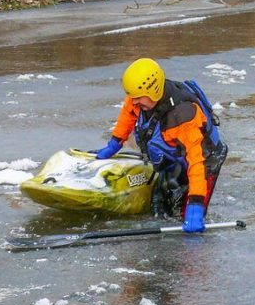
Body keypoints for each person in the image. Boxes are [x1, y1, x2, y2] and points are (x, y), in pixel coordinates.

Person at [96, 58, 227, 233]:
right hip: (173, 162)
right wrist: (114, 143)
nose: (133, 102)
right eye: (132, 97)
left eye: (137, 98)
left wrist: (195, 204)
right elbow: (128, 113)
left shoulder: (184, 115)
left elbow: (197, 163)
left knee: (185, 219)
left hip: (204, 163)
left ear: (153, 91)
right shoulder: (139, 98)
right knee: (159, 210)